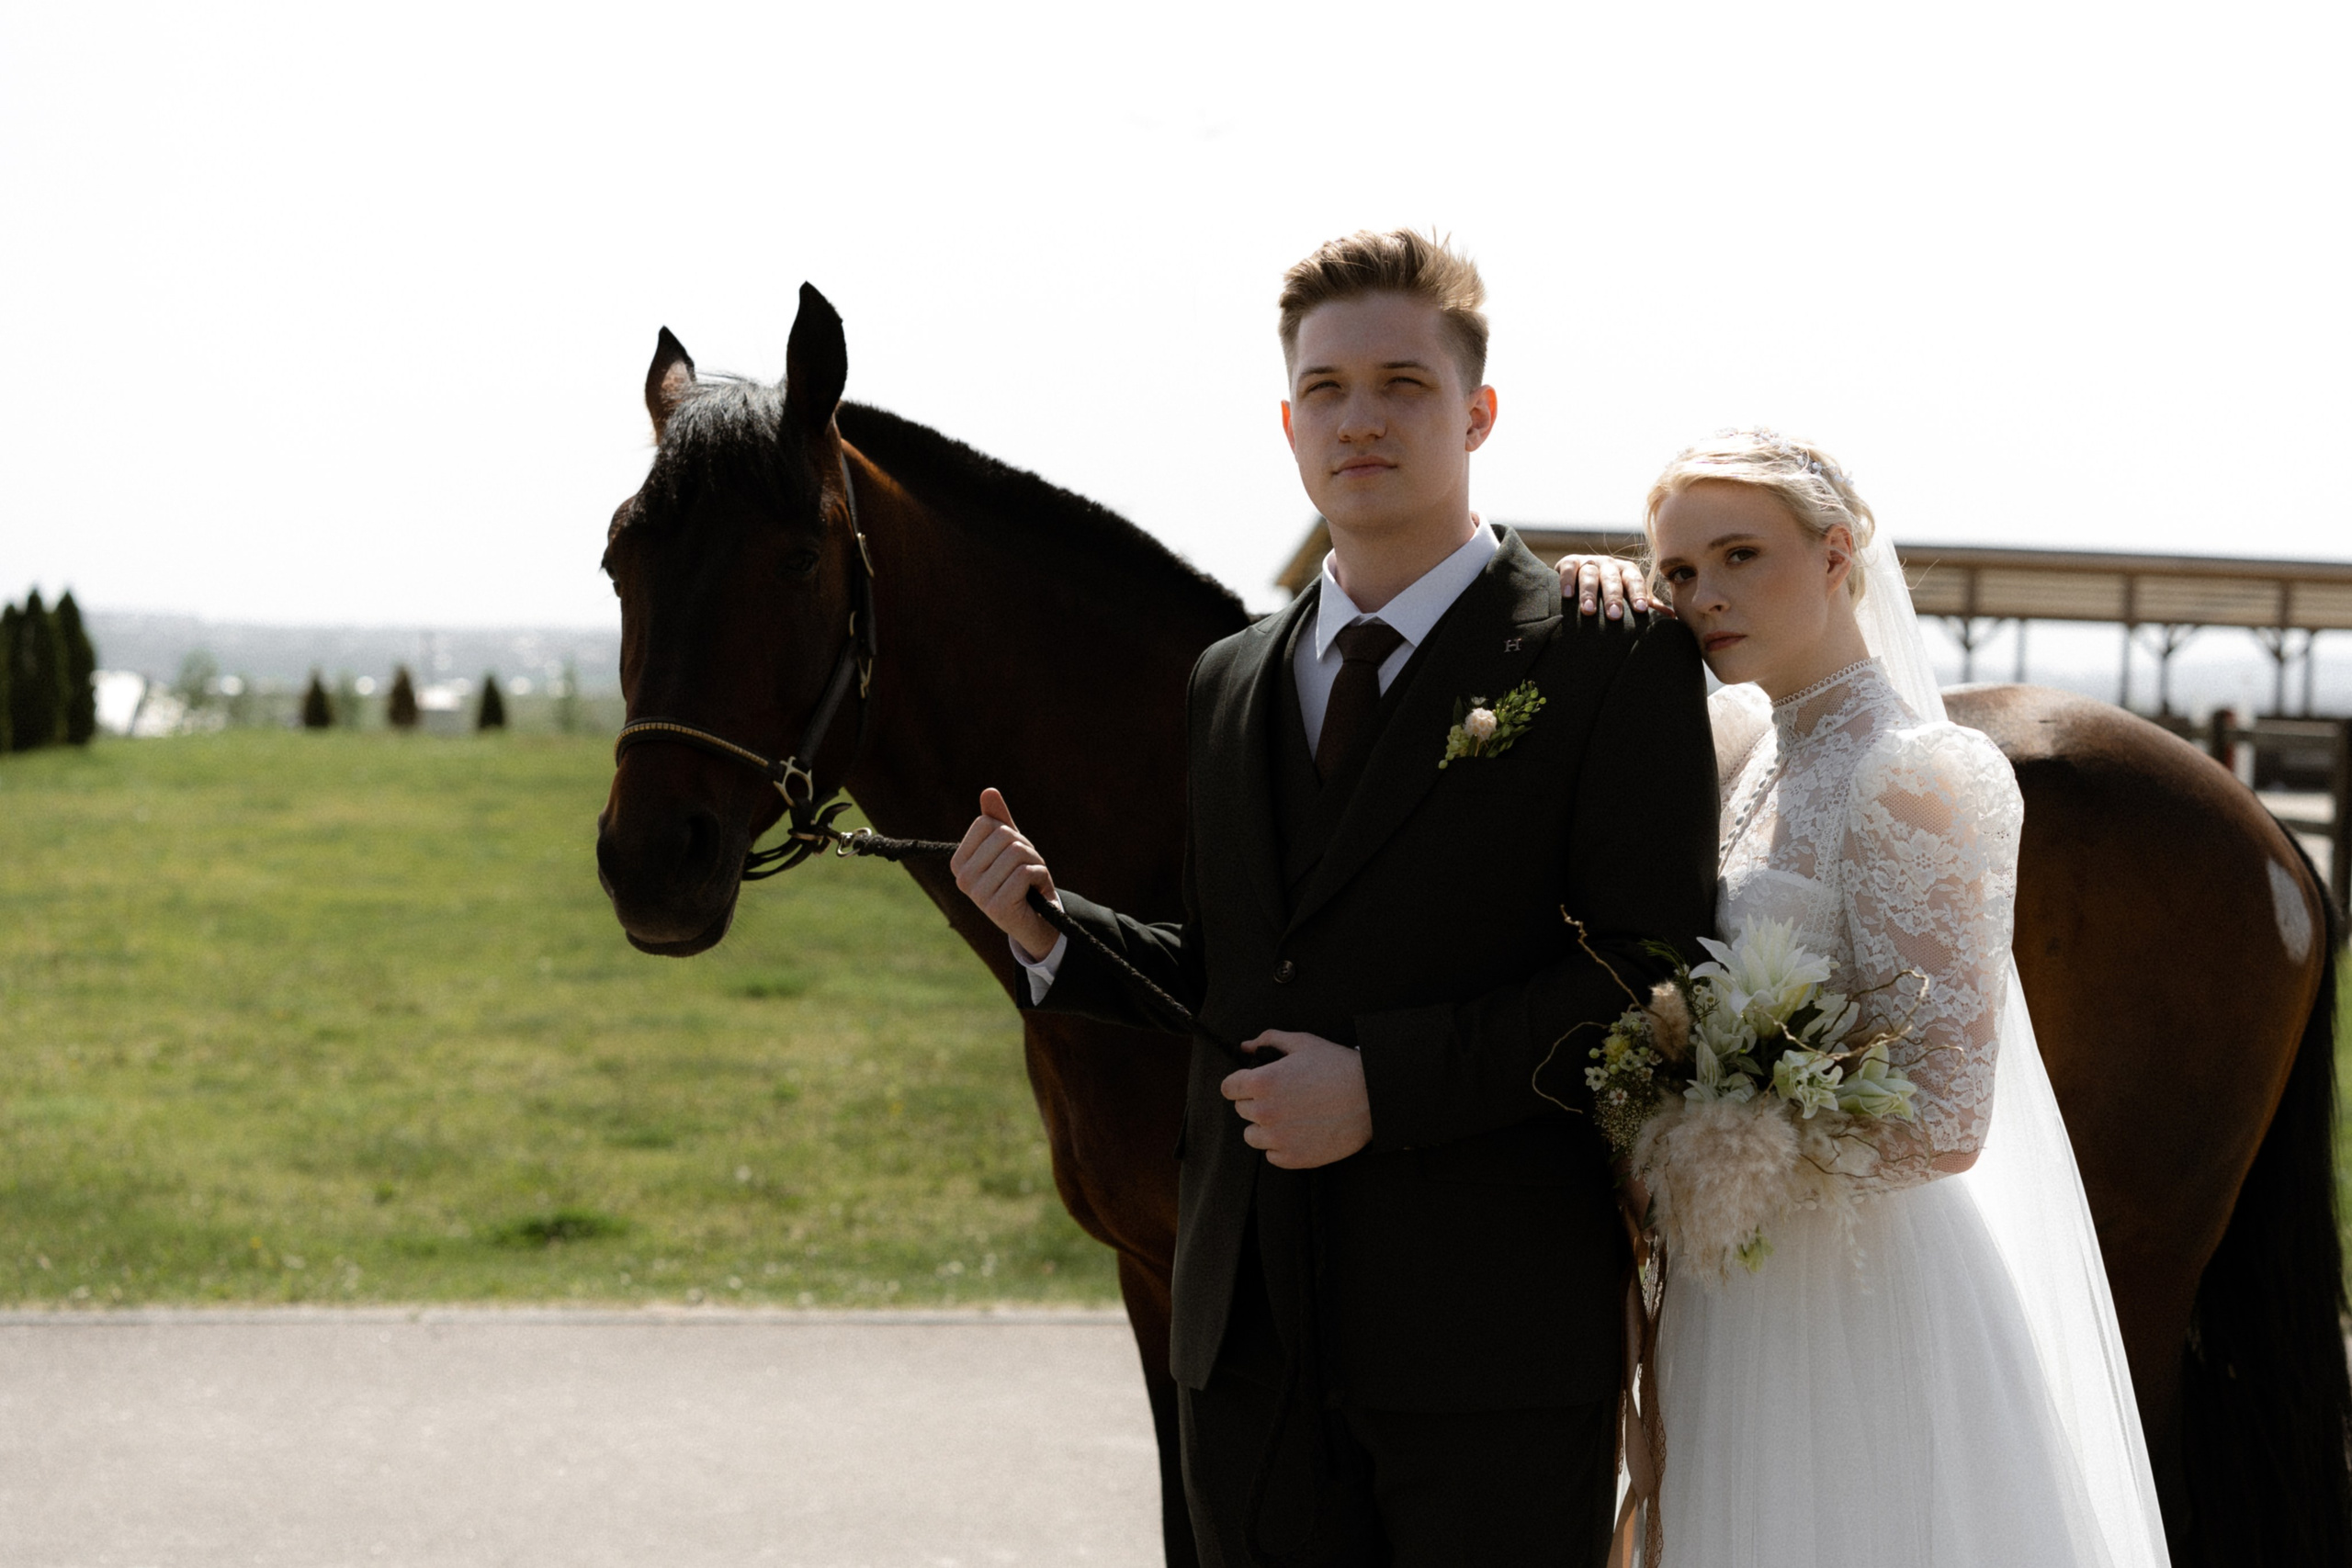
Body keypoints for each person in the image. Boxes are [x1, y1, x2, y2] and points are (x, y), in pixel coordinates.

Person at [951, 230, 1719, 1565]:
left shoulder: (1610, 655)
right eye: (1326, 388)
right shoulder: (1228, 676)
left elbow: (1651, 982)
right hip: (1242, 1336)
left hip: (1485, 1344)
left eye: (1403, 384)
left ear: (1477, 412)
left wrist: (1384, 1085)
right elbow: (1247, 972)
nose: (1360, 417)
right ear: (1289, 418)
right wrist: (1053, 929)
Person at [1558, 432, 2169, 1567]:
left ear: (1838, 553)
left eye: (1743, 555)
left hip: (1860, 1302)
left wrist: (1703, 1149)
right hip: (1728, 1298)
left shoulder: (1923, 772)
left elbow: (1942, 1118)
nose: (1706, 598)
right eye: (1680, 573)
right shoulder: (1740, 747)